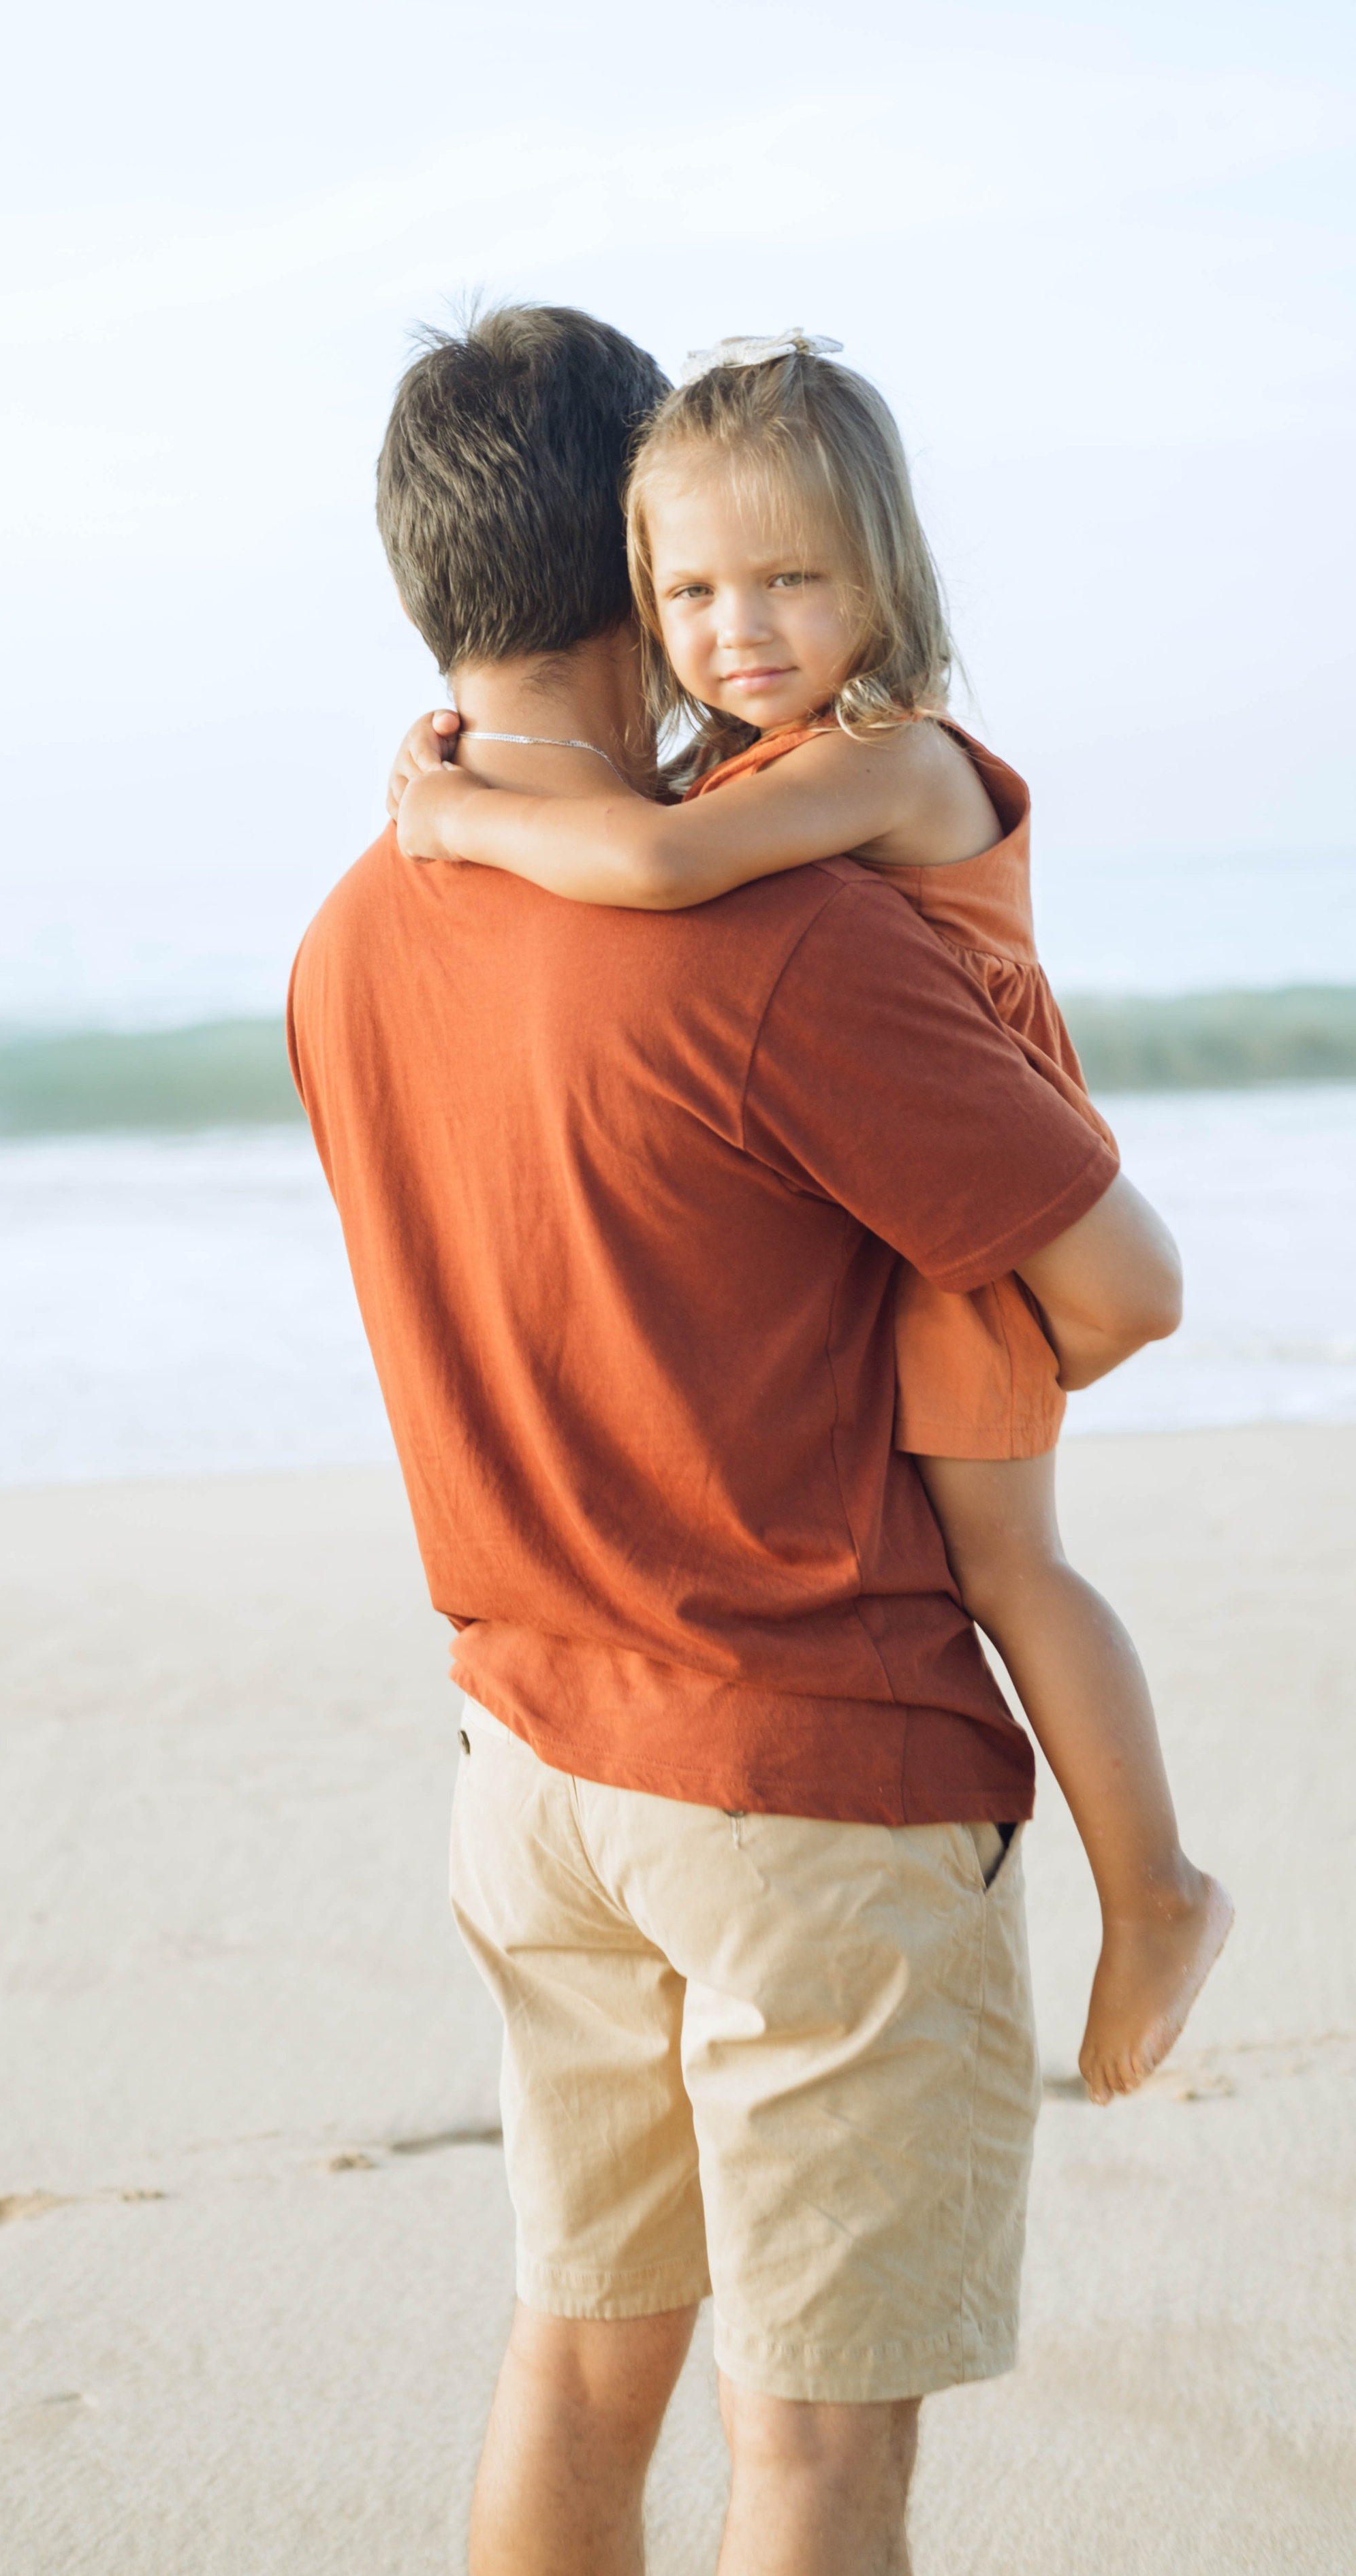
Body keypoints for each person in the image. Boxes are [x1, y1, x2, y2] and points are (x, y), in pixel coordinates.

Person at [287, 305, 1182, 2576]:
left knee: (577, 2379)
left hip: (529, 1767)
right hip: (807, 1777)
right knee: (810, 2469)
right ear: (634, 551)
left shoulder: (349, 932)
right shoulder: (777, 928)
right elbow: (1117, 1287)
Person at [390, 331, 1232, 2113]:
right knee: (987, 1552)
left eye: (790, 581)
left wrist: (462, 811)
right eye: (687, 589)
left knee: (1014, 1564)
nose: (737, 630)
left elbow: (654, 871)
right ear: (631, 595)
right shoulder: (757, 764)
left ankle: (1155, 1892)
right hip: (940, 1211)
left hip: (984, 1214)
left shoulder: (884, 759)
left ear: (885, 585)